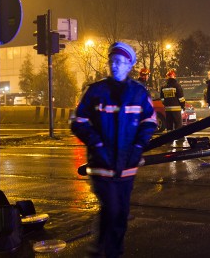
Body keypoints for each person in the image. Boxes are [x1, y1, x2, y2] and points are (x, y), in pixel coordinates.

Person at [71, 42, 157, 258]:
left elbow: (150, 121)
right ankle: (103, 250)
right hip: (102, 165)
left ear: (129, 65)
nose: (114, 66)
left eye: (119, 62)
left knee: (120, 213)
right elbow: (78, 121)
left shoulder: (139, 93)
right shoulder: (95, 91)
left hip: (127, 166)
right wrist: (97, 145)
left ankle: (109, 250)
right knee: (112, 208)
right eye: (111, 62)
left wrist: (138, 148)